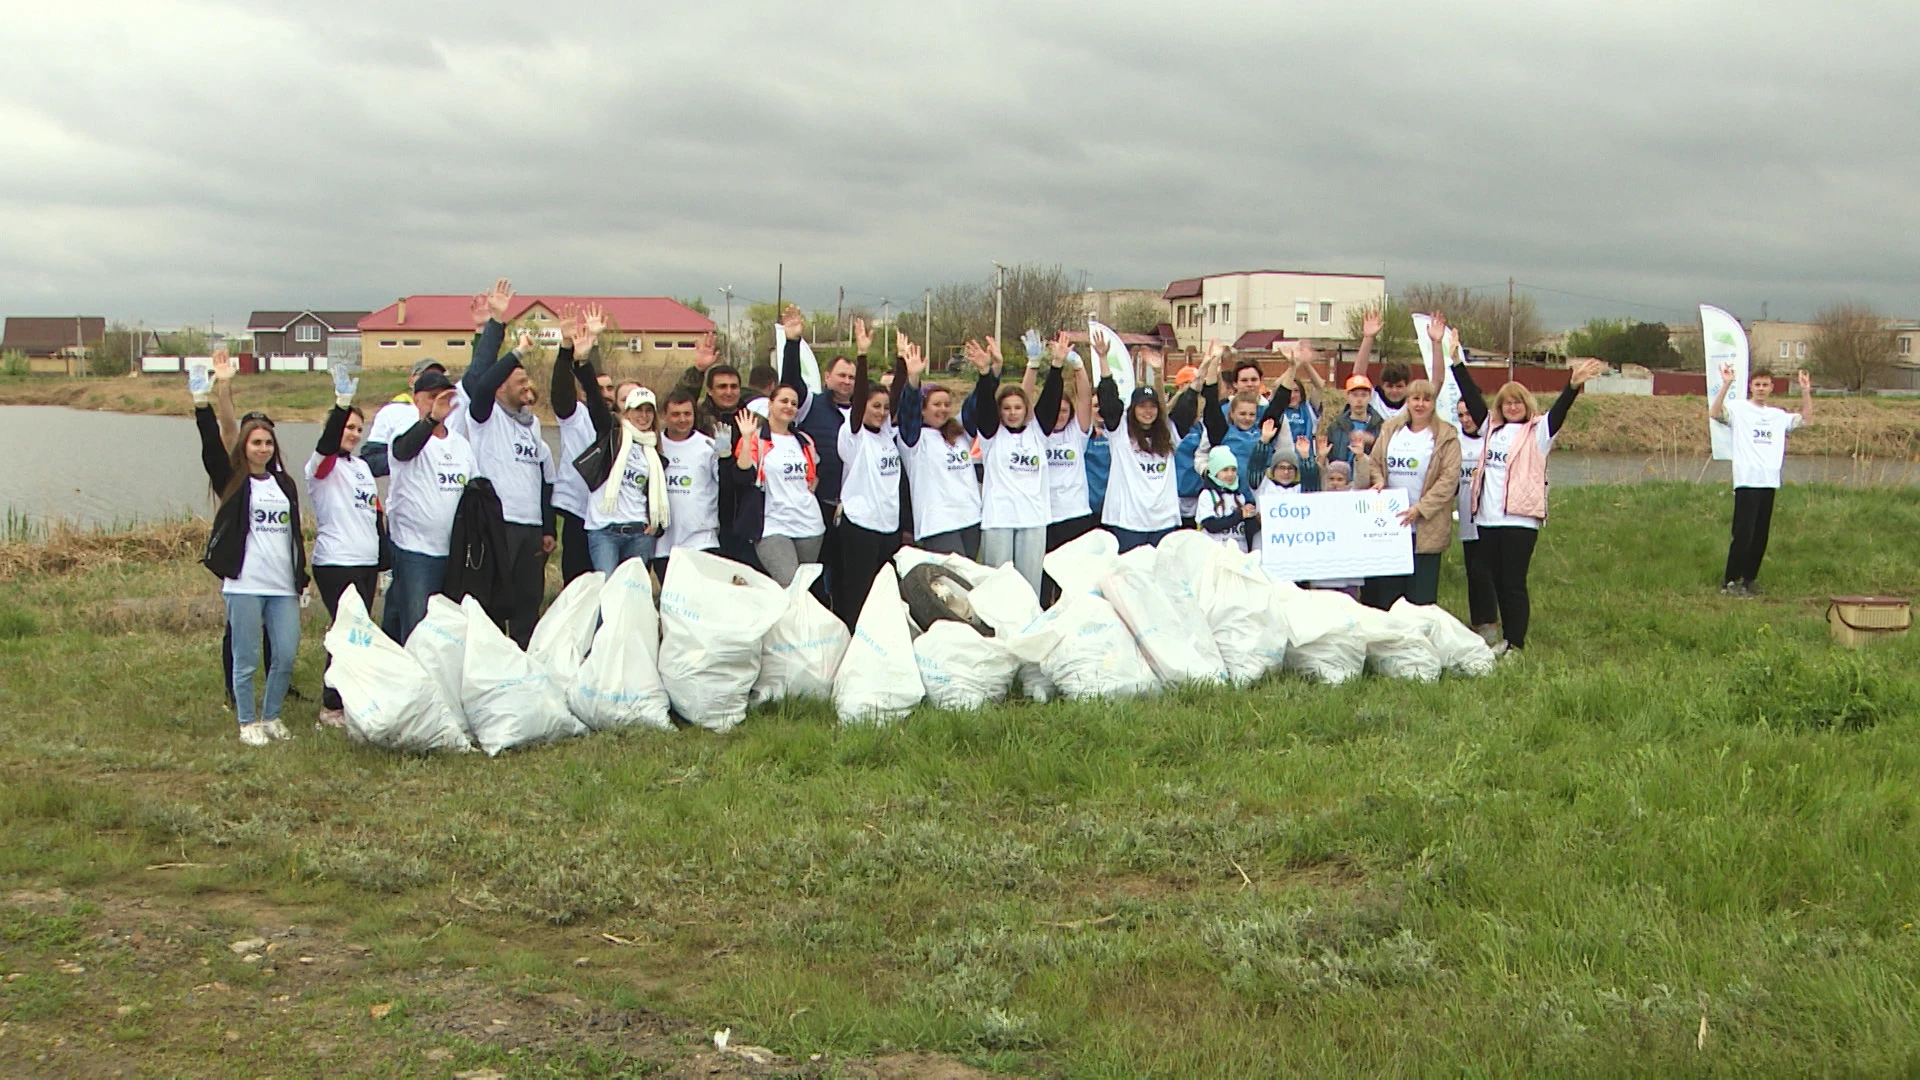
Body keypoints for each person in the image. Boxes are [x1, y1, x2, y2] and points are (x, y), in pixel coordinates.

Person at [194, 375, 306, 746]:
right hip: (245, 584)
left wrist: (299, 578)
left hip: (281, 586)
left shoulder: (284, 484)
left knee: (286, 656)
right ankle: (247, 722)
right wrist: (202, 402)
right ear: (244, 446)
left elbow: (294, 535)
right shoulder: (233, 481)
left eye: (268, 442)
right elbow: (212, 446)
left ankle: (271, 716)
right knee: (246, 659)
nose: (263, 448)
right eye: (256, 443)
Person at [1468, 357, 1608, 650]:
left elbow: (1559, 412)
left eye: (1517, 402)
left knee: (1513, 583)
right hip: (1487, 519)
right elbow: (1471, 397)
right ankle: (1505, 640)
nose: (1512, 407)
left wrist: (1572, 385)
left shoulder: (1539, 432)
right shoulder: (1489, 430)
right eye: (1507, 403)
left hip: (1520, 519)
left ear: (1526, 404)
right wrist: (1456, 360)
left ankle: (1516, 643)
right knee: (1495, 581)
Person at [459, 285, 556, 648]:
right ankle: (485, 667)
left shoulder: (532, 426)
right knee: (490, 603)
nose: (526, 387)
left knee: (527, 604)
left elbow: (544, 481)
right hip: (498, 524)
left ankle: (522, 667)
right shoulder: (484, 417)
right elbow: (479, 384)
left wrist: (547, 528)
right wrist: (504, 337)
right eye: (519, 381)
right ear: (500, 388)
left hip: (530, 528)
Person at [308, 365, 383, 728]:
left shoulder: (361, 467)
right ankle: (331, 704)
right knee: (345, 632)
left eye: (357, 428)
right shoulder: (322, 466)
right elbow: (326, 446)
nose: (353, 434)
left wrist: (384, 560)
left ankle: (354, 697)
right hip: (336, 561)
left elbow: (375, 513)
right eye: (347, 427)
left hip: (366, 561)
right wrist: (342, 403)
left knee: (361, 633)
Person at [384, 368, 475, 646]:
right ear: (416, 400)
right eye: (431, 397)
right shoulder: (404, 434)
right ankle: (411, 682)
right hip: (415, 550)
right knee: (417, 628)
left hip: (453, 552)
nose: (439, 402)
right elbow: (404, 450)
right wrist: (431, 418)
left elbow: (474, 490)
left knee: (447, 629)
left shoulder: (460, 444)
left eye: (444, 397)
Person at [1711, 365, 1813, 597]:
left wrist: (1805, 390)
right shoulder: (1739, 409)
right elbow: (1714, 413)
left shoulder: (1777, 415)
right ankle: (1730, 581)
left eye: (1765, 385)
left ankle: (1750, 579)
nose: (1761, 389)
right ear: (1751, 387)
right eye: (1757, 385)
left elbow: (1806, 420)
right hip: (1747, 481)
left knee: (1760, 535)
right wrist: (1726, 383)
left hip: (1769, 481)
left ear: (1771, 388)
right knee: (1743, 534)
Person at [778, 305, 857, 604]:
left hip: (853, 510)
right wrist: (793, 342)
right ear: (827, 376)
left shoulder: (865, 412)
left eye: (852, 377)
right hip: (819, 506)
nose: (847, 381)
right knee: (816, 576)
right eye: (841, 375)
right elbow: (791, 383)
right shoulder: (812, 404)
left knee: (847, 576)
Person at [1427, 317, 1498, 641]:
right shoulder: (1453, 440)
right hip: (1469, 522)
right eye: (1461, 414)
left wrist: (1456, 361)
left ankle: (1496, 624)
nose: (1466, 418)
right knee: (1475, 573)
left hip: (1492, 518)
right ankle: (1481, 623)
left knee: (1492, 572)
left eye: (1470, 413)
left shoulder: (1488, 435)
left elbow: (1475, 400)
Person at [572, 341, 670, 574]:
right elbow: (595, 401)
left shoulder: (654, 451)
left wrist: (656, 527)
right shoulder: (612, 434)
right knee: (607, 590)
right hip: (605, 530)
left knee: (630, 596)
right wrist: (584, 362)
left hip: (639, 532)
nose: (643, 416)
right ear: (626, 411)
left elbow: (652, 495)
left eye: (649, 411)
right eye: (638, 410)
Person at [1363, 378, 1461, 609]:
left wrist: (1420, 509)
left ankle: (1420, 643)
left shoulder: (1446, 436)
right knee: (1389, 595)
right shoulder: (1390, 429)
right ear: (1407, 401)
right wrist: (1378, 481)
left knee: (1421, 598)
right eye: (1415, 398)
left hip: (1425, 526)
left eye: (1426, 399)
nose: (1420, 404)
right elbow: (1374, 463)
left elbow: (1448, 480)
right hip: (1391, 526)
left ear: (1433, 404)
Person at [834, 319, 906, 624]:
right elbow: (860, 396)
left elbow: (898, 396)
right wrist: (862, 356)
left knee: (884, 594)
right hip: (859, 526)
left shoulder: (887, 433)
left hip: (888, 526)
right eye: (874, 406)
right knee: (858, 595)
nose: (880, 412)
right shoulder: (853, 435)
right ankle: (851, 649)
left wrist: (902, 362)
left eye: (884, 408)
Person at [964, 335, 1049, 593]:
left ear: (1026, 410)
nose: (1012, 412)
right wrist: (984, 372)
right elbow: (985, 404)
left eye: (1018, 407)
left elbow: (1050, 401)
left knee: (1029, 590)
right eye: (1007, 408)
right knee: (999, 589)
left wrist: (1054, 366)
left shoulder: (1037, 432)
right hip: (999, 518)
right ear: (1000, 411)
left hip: (1033, 519)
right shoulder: (991, 435)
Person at [895, 331, 983, 556]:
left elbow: (976, 406)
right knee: (950, 582)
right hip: (939, 523)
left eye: (946, 404)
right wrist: (913, 380)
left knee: (968, 578)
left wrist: (985, 375)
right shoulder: (913, 440)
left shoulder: (959, 432)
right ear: (923, 409)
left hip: (971, 517)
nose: (943, 409)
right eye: (936, 404)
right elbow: (907, 413)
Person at [1095, 330, 1180, 552]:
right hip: (1129, 522)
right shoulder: (1120, 430)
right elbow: (1108, 398)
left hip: (1163, 522)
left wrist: (1159, 373)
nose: (1148, 411)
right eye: (1142, 406)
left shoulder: (1167, 432)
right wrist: (1103, 360)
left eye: (1152, 406)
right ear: (1132, 408)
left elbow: (1187, 402)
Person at [733, 381, 825, 588]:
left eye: (794, 403)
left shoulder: (804, 440)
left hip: (809, 524)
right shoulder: (757, 439)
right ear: (770, 404)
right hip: (772, 524)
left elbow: (813, 475)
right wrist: (746, 439)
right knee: (790, 585)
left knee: (805, 589)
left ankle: (801, 622)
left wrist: (813, 483)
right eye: (783, 401)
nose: (789, 406)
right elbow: (743, 475)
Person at [549, 303, 615, 585]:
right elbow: (561, 391)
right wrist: (567, 348)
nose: (605, 394)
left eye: (610, 388)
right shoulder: (575, 416)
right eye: (598, 388)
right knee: (577, 589)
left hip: (613, 519)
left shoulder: (623, 424)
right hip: (579, 513)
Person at [1035, 331, 1097, 553]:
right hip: (1046, 513)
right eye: (1055, 411)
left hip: (1076, 512)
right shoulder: (1037, 433)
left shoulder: (1076, 432)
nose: (1059, 415)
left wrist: (1078, 366)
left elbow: (1084, 398)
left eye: (1063, 411)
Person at [656, 387, 722, 579]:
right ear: (664, 415)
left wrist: (726, 458)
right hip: (663, 544)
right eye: (676, 414)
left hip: (701, 540)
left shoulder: (707, 446)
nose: (682, 419)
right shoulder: (653, 444)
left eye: (687, 414)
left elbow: (725, 482)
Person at [1350, 309, 1412, 418]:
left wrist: (1437, 343)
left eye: (1399, 386)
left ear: (1407, 386)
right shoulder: (1375, 400)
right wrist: (1368, 337)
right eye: (1389, 386)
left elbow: (1437, 383)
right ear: (1383, 386)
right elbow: (1358, 376)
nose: (1394, 390)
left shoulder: (1412, 404)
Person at [1195, 447, 1258, 552]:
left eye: (1233, 469)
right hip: (1216, 555)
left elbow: (1245, 530)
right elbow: (1211, 526)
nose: (1230, 474)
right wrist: (1239, 515)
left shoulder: (1239, 497)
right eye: (1225, 470)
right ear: (1215, 471)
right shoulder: (1208, 495)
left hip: (1239, 554)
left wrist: (1255, 521)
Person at [1326, 374, 1384, 465]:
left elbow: (1386, 456)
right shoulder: (1335, 427)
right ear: (1347, 396)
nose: (1359, 400)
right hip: (1342, 477)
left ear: (1370, 397)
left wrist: (1374, 441)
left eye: (1363, 395)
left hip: (1369, 477)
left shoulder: (1380, 427)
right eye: (1355, 395)